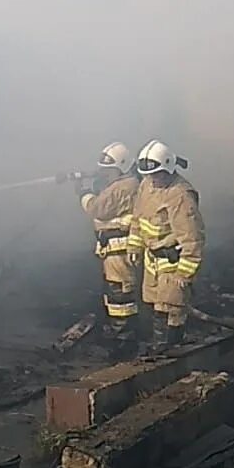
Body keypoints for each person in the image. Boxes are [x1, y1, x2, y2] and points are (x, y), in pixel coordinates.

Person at [127, 140, 204, 353]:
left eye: (157, 174)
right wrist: (134, 246)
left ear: (168, 169)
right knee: (154, 306)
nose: (153, 179)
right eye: (148, 175)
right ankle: (159, 348)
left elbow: (193, 239)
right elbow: (137, 218)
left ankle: (169, 352)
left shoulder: (180, 195)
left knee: (170, 308)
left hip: (173, 263)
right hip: (152, 260)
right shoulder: (146, 186)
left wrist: (184, 275)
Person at [75, 142, 142, 341]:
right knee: (116, 294)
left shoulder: (124, 186)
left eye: (109, 170)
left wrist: (84, 193)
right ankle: (122, 333)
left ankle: (123, 338)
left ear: (121, 167)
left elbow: (98, 209)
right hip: (114, 250)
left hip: (119, 250)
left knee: (120, 296)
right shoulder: (123, 185)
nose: (105, 174)